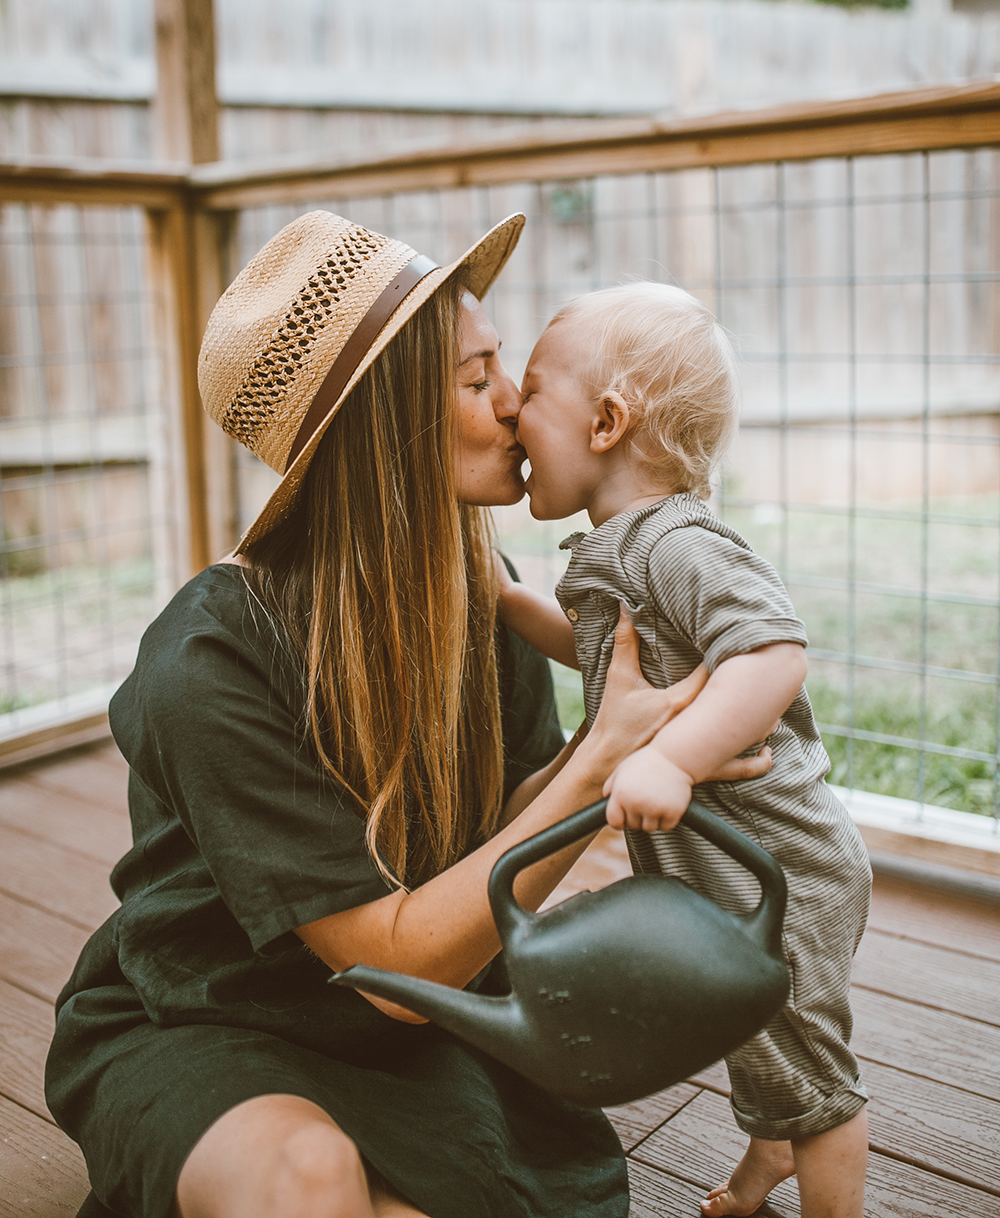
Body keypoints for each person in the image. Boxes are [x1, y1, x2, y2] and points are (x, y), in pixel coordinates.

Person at [45, 215, 772, 1218]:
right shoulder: (206, 660)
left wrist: (628, 738)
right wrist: (599, 763)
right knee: (308, 1185)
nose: (516, 400)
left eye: (500, 363)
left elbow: (516, 813)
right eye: (476, 384)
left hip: (423, 1024)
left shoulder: (484, 593)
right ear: (375, 433)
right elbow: (387, 969)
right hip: (210, 1014)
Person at [497, 281, 873, 1218]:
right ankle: (763, 1167)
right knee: (762, 1035)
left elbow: (773, 652)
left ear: (608, 421)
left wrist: (675, 757)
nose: (510, 409)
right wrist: (505, 604)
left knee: (814, 1078)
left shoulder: (676, 544)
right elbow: (598, 653)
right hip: (728, 868)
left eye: (533, 391)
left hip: (780, 868)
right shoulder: (620, 549)